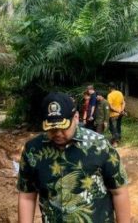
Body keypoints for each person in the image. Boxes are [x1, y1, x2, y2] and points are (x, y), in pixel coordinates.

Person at [17, 92, 130, 223]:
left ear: (76, 117)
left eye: (63, 127)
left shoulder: (99, 146)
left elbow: (119, 191)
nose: (58, 133)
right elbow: (27, 196)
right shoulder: (33, 150)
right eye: (52, 129)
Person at [107, 82, 126, 147]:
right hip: (120, 114)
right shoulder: (120, 93)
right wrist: (122, 110)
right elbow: (123, 103)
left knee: (113, 128)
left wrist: (118, 111)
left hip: (113, 115)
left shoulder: (110, 95)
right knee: (118, 126)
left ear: (109, 88)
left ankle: (115, 142)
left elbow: (111, 107)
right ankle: (118, 139)